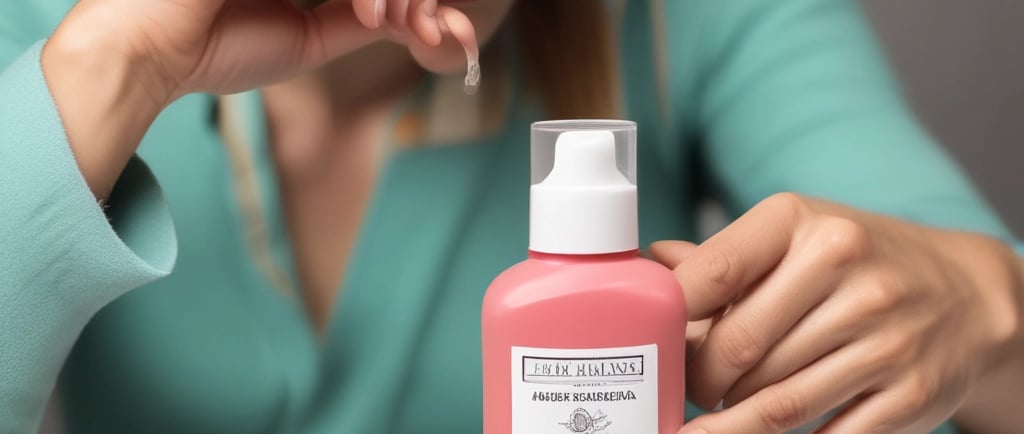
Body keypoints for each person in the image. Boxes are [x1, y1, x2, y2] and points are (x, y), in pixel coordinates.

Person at [1, 0, 1021, 433]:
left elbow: (960, 303)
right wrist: (109, 71)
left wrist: (986, 299)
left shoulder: (690, 17)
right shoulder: (48, 30)